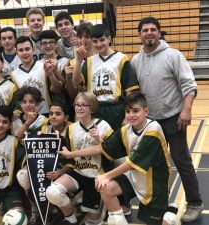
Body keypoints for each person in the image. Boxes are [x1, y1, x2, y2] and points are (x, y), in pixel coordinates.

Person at [61, 91, 177, 225]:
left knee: (157, 221)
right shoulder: (125, 130)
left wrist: (107, 175)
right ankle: (118, 220)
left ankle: (169, 216)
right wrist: (71, 154)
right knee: (104, 187)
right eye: (128, 111)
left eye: (135, 111)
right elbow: (101, 148)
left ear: (146, 111)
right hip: (133, 176)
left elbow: (133, 162)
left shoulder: (154, 130)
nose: (131, 115)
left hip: (154, 181)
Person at [131, 16, 203, 223]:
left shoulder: (173, 55)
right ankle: (157, 204)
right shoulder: (136, 60)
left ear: (159, 33)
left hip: (173, 118)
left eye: (153, 29)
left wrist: (186, 110)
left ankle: (195, 202)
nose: (149, 33)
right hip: (150, 123)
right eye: (145, 30)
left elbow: (189, 85)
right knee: (153, 165)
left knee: (182, 161)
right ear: (140, 34)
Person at [45, 92, 113, 225]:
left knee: (92, 222)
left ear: (92, 108)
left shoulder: (104, 125)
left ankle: (102, 203)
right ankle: (71, 219)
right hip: (78, 172)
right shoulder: (71, 129)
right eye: (77, 105)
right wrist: (43, 138)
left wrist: (99, 140)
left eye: (83, 105)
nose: (79, 108)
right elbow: (69, 160)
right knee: (52, 192)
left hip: (97, 176)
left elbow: (112, 155)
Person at [73, 24, 139, 130]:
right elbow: (76, 82)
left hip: (116, 109)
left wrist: (128, 114)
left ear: (109, 39)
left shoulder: (122, 59)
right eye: (95, 41)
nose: (98, 44)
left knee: (117, 144)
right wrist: (79, 60)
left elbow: (130, 91)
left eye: (102, 40)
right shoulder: (89, 61)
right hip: (95, 109)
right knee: (97, 142)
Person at [11, 36, 62, 115]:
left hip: (46, 113)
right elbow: (17, 100)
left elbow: (58, 90)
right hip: (27, 116)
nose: (24, 53)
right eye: (21, 50)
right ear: (16, 52)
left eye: (27, 49)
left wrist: (51, 74)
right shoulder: (14, 75)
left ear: (33, 49)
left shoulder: (44, 66)